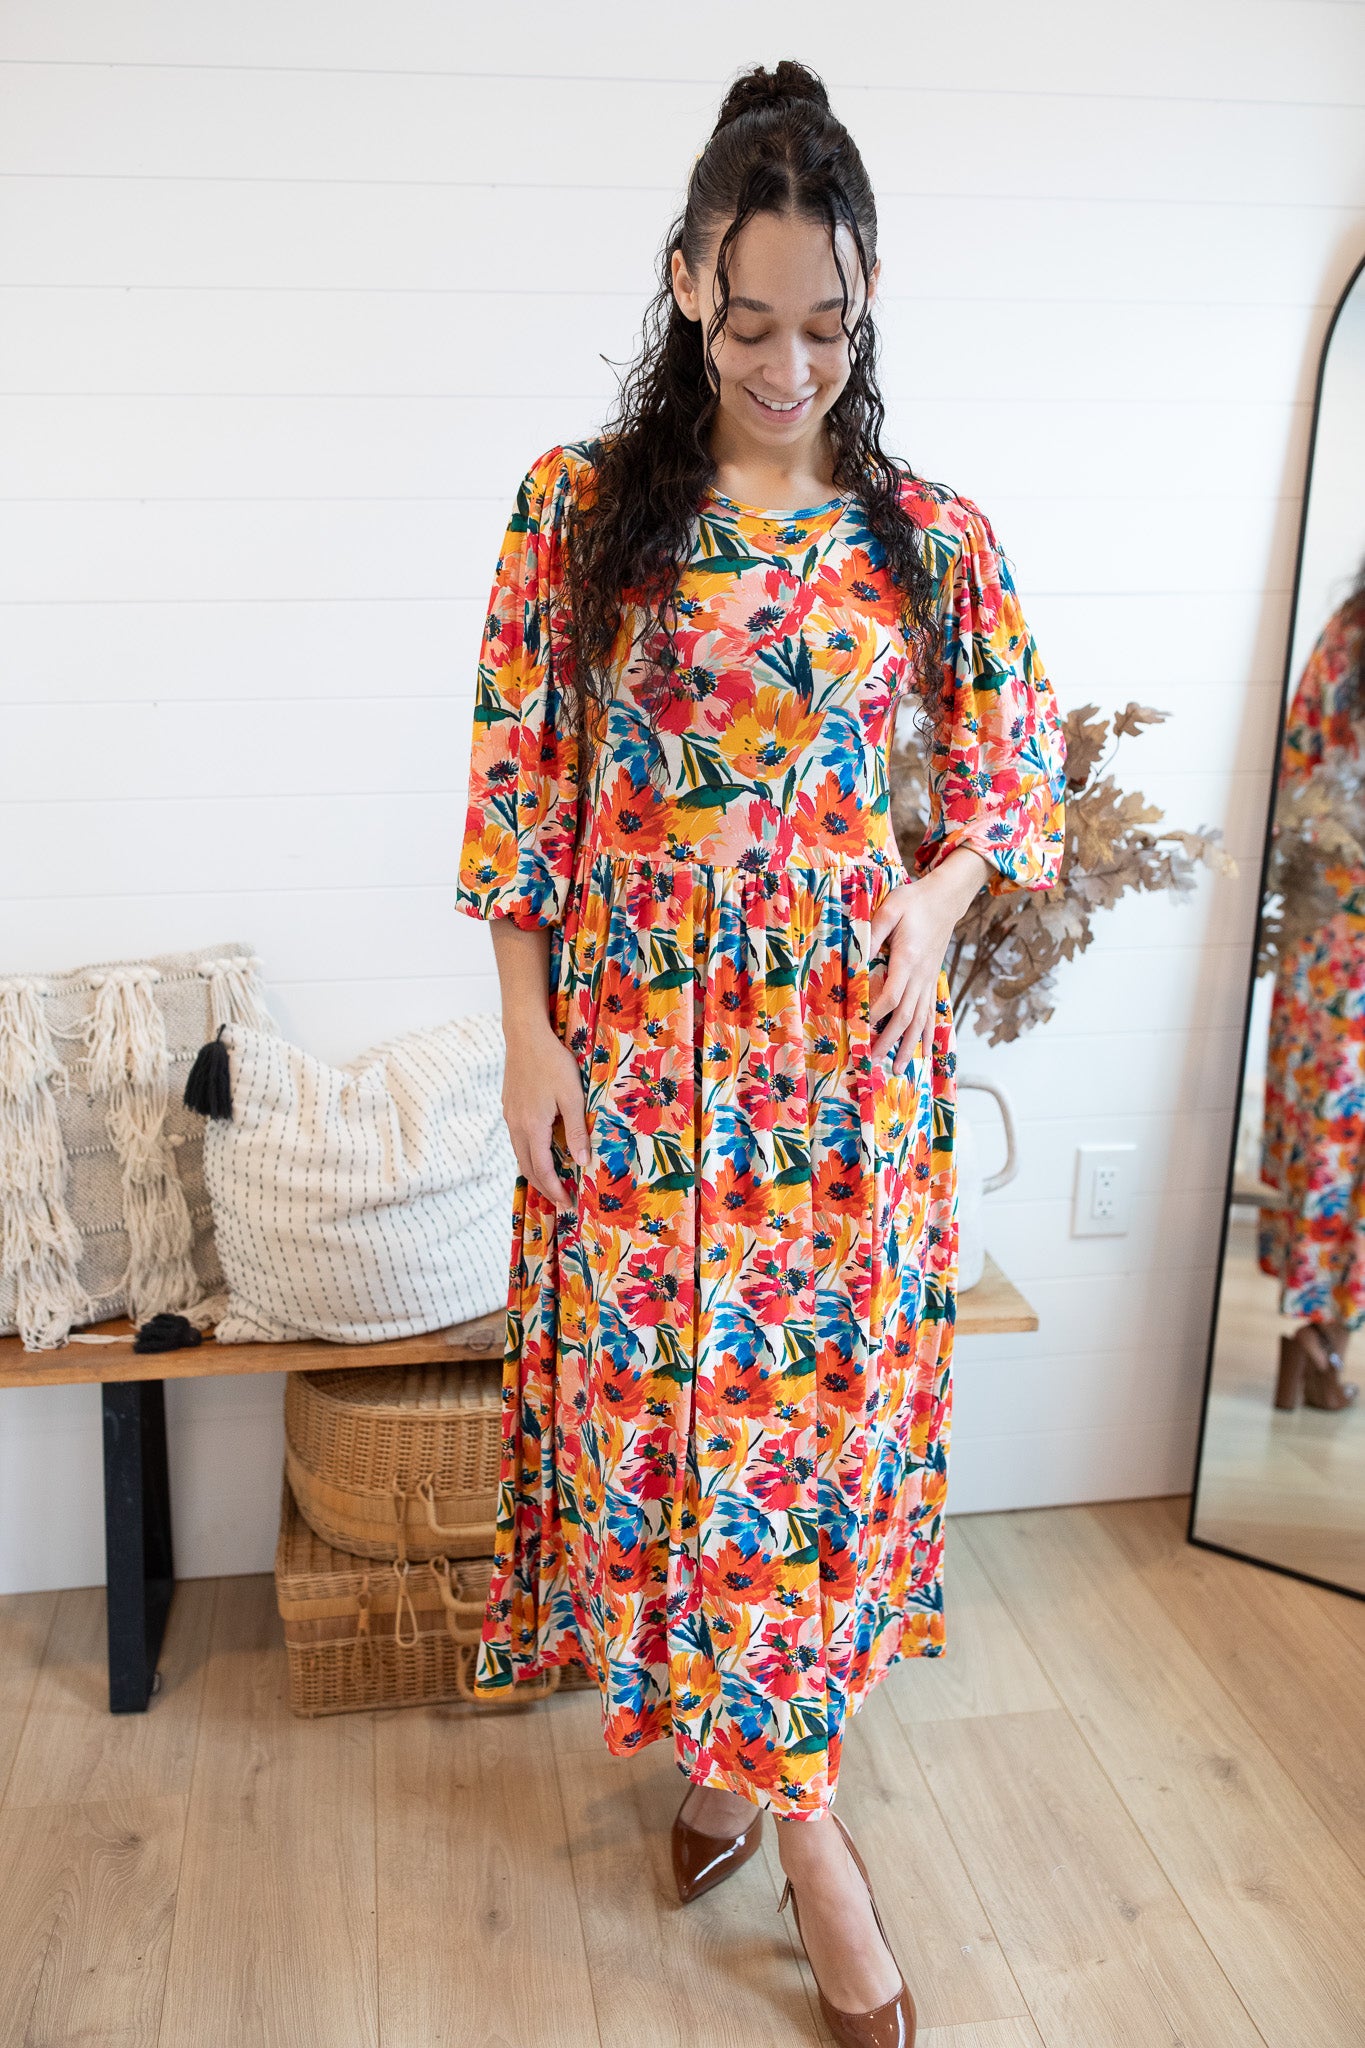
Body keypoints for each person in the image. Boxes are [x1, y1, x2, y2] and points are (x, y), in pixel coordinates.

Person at [455, 59, 1067, 2047]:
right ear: (683, 287)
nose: (789, 366)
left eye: (826, 324)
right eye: (748, 324)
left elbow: (1020, 773)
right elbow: (519, 791)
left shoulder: (924, 540)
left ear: (867, 298)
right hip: (636, 1067)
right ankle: (797, 1826)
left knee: (800, 1460)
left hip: (839, 1090)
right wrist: (527, 1035)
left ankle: (772, 1810)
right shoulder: (579, 516)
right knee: (678, 1439)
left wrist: (935, 899)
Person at [1260, 565, 1365, 1414]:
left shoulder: (1342, 635)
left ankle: (1319, 1341)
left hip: (1323, 932)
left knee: (1332, 1137)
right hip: (1344, 936)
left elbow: (1297, 784)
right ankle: (1323, 1344)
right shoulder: (1346, 640)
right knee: (1344, 1143)